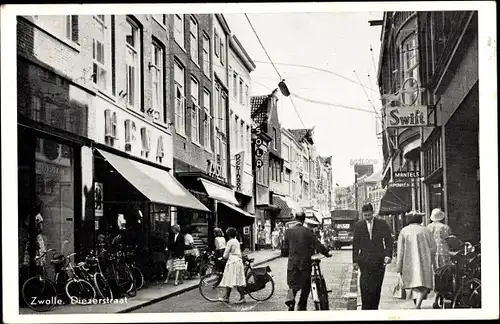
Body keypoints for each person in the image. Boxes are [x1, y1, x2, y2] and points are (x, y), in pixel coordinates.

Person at [283, 212, 331, 311]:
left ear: (295, 219)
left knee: (293, 285)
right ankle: (301, 306)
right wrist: (327, 253)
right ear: (304, 220)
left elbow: (284, 250)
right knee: (305, 288)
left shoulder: (288, 231)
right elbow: (318, 245)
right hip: (305, 264)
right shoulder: (308, 231)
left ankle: (291, 301)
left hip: (292, 265)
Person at [352, 203, 393, 310]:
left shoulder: (382, 224)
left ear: (373, 213)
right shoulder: (359, 225)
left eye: (369, 215)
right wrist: (355, 261)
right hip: (364, 261)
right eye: (365, 216)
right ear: (362, 215)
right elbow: (355, 244)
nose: (367, 218)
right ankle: (365, 308)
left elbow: (389, 240)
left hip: (379, 260)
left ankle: (374, 308)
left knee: (376, 286)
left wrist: (388, 255)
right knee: (365, 286)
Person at [396, 211, 437, 309]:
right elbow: (433, 247)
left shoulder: (404, 231)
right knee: (423, 284)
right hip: (424, 260)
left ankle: (417, 305)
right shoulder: (426, 230)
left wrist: (399, 267)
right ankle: (418, 304)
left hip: (409, 261)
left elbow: (400, 250)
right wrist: (430, 259)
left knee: (414, 284)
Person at [426, 208, 451, 308]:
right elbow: (448, 238)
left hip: (433, 252)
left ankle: (436, 296)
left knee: (436, 274)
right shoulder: (445, 227)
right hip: (444, 252)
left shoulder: (428, 227)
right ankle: (442, 296)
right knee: (445, 274)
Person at [219, 227, 247, 304]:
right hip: (237, 261)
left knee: (234, 279)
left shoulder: (230, 242)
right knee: (232, 279)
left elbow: (226, 253)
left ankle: (242, 298)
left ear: (228, 234)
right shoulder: (236, 241)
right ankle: (226, 297)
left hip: (233, 262)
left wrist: (223, 258)